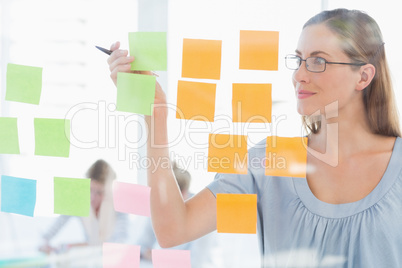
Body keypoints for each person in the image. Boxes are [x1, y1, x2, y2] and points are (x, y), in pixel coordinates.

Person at [107, 8, 402, 267]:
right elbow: (174, 230)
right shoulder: (268, 161)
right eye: (298, 60)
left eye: (318, 61)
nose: (299, 75)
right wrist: (155, 116)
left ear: (363, 77)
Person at [135, 162, 222, 268]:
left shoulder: (204, 214)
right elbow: (141, 247)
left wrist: (157, 256)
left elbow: (195, 262)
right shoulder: (159, 208)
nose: (163, 205)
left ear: (183, 193)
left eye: (167, 198)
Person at [40, 159, 128, 253]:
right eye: (90, 189)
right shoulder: (79, 201)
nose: (93, 197)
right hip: (88, 257)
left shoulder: (119, 205)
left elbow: (121, 242)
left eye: (100, 192)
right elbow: (48, 233)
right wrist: (44, 244)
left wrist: (73, 246)